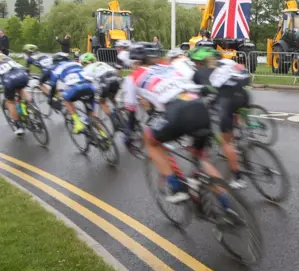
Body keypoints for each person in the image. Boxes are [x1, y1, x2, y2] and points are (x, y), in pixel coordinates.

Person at [122, 43, 229, 205]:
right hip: (200, 107)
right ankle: (228, 206)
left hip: (176, 111)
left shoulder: (133, 77)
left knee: (150, 141)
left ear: (135, 62)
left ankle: (176, 186)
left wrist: (128, 134)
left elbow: (130, 110)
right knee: (201, 161)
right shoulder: (169, 67)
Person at [208, 50, 252, 189]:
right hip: (244, 95)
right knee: (234, 118)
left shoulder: (214, 71)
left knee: (225, 141)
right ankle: (243, 137)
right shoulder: (230, 62)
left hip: (227, 100)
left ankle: (238, 177)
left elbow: (212, 94)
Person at [48, 52, 98, 134]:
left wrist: (50, 98)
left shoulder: (55, 69)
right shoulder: (76, 63)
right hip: (89, 87)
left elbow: (53, 86)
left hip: (76, 88)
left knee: (66, 99)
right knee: (91, 115)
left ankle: (78, 124)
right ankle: (104, 137)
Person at [79, 52, 120, 124]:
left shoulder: (85, 69)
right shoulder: (101, 63)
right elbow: (114, 71)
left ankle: (115, 121)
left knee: (102, 102)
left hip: (105, 84)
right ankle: (119, 112)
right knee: (112, 97)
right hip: (115, 81)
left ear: (84, 63)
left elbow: (84, 82)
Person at [0, 53, 31, 136]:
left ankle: (19, 127)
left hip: (9, 79)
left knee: (10, 102)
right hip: (22, 74)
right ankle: (31, 105)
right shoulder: (3, 55)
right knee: (20, 89)